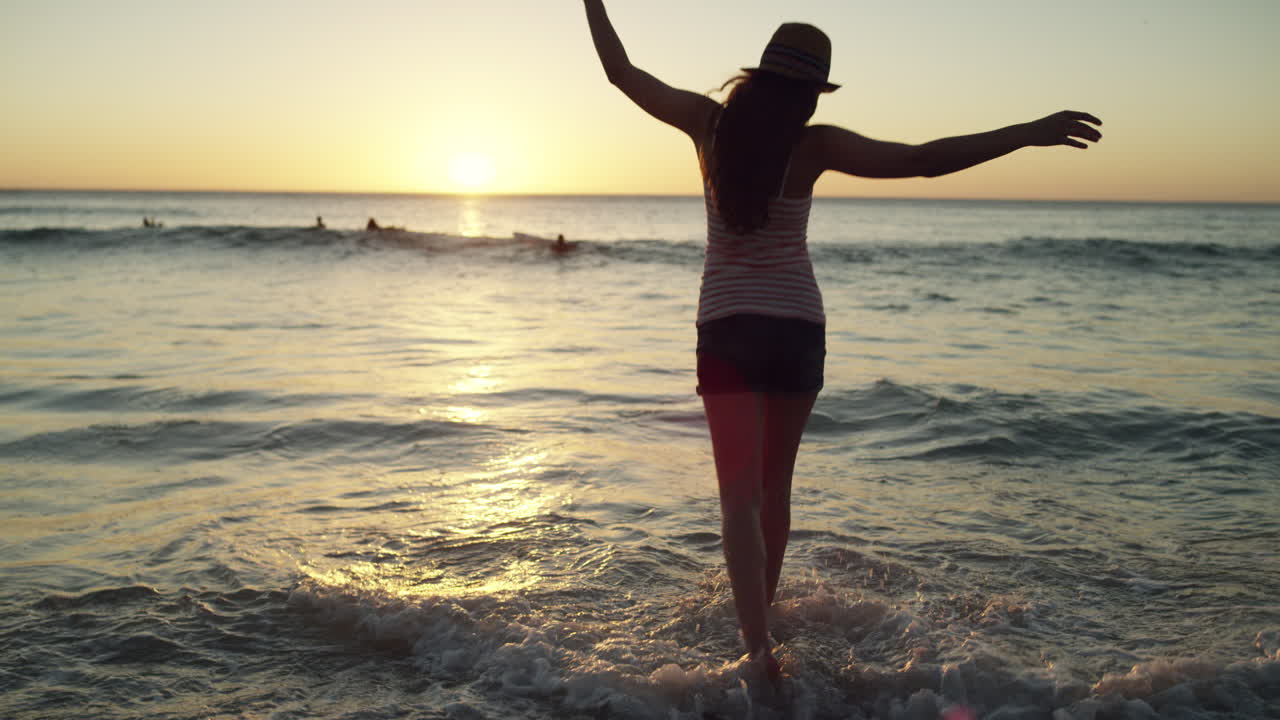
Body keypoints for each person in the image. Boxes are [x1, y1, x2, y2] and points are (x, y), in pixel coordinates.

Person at [581, 0, 1102, 682]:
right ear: (809, 93)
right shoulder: (814, 145)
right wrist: (1025, 131)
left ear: (760, 76)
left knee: (737, 495)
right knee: (774, 490)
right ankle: (761, 624)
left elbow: (621, 72)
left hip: (729, 327)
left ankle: (758, 649)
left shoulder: (708, 124)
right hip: (797, 329)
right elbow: (923, 162)